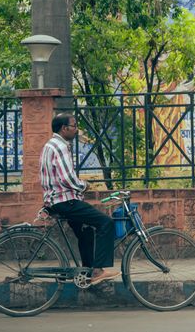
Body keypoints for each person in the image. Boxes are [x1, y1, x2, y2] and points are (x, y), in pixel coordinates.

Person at [40, 114, 118, 284]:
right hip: (64, 201)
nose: (77, 130)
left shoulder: (49, 145)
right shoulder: (60, 146)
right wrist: (84, 185)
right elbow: (66, 178)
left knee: (86, 232)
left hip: (57, 200)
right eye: (74, 126)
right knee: (106, 223)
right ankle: (97, 270)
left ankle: (88, 273)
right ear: (64, 128)